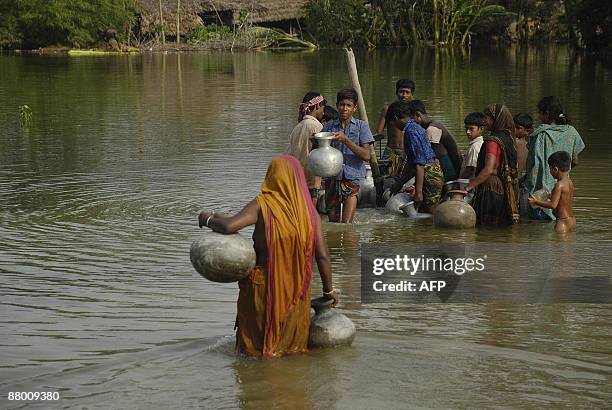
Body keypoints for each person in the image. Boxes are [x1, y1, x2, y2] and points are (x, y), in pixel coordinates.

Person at [197, 155, 338, 359]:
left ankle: (258, 387)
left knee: (255, 350)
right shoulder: (310, 213)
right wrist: (328, 290)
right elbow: (323, 256)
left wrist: (207, 219)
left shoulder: (263, 205)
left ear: (271, 176)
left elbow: (230, 226)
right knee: (290, 350)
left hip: (263, 289)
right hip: (297, 291)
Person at [524, 96, 585, 221]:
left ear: (546, 114)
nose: (539, 117)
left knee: (539, 231)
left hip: (541, 192)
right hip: (564, 188)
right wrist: (562, 173)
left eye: (540, 114)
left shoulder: (541, 134)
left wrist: (526, 183)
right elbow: (575, 161)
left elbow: (532, 164)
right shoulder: (572, 132)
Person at [322, 89, 374, 223]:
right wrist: (317, 141)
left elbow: (367, 155)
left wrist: (346, 140)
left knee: (346, 224)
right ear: (336, 105)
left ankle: (349, 243)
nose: (344, 108)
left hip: (352, 177)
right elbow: (319, 151)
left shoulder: (361, 127)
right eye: (342, 105)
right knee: (333, 221)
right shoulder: (329, 126)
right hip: (332, 177)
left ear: (354, 108)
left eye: (348, 105)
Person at [465, 103, 520, 226]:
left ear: (496, 119)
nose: (484, 122)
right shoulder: (509, 139)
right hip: (504, 186)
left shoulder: (492, 142)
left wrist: (467, 188)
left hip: (491, 187)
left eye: (487, 118)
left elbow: (488, 169)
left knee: (487, 225)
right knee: (499, 226)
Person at [387, 101, 444, 213]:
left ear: (395, 118)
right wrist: (400, 183)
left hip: (429, 175)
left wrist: (418, 192)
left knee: (431, 214)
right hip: (430, 172)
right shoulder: (414, 127)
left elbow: (419, 163)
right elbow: (412, 163)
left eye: (392, 123)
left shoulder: (411, 132)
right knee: (423, 212)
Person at [286, 92, 326, 204]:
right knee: (310, 217)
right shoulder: (316, 126)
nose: (323, 110)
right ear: (318, 106)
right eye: (323, 106)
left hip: (296, 178)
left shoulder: (297, 127)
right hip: (311, 180)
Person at [408, 100, 462, 182]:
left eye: (411, 119)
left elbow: (429, 157)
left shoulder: (431, 129)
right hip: (448, 168)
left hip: (450, 171)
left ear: (417, 115)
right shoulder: (430, 126)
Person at [528, 151, 576, 233]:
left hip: (562, 222)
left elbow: (553, 205)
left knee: (558, 245)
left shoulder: (559, 185)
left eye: (550, 168)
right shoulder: (569, 182)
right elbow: (564, 199)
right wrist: (550, 195)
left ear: (555, 169)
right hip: (572, 221)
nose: (550, 171)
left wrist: (536, 202)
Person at [375, 79, 415, 177]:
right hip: (390, 150)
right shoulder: (388, 109)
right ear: (396, 92)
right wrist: (371, 149)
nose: (404, 95)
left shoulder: (415, 111)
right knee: (382, 176)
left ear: (412, 94)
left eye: (407, 92)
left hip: (407, 152)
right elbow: (378, 132)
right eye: (401, 92)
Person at [459, 112, 486, 180]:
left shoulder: (474, 147)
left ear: (481, 129)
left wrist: (458, 182)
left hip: (469, 183)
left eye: (471, 129)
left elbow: (470, 169)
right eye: (466, 128)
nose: (468, 132)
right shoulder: (481, 143)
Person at [513, 112, 533, 178]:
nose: (514, 130)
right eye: (514, 126)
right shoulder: (529, 144)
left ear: (527, 131)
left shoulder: (516, 143)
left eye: (518, 128)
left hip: (515, 179)